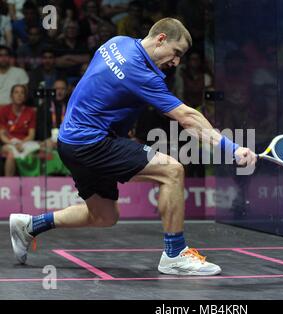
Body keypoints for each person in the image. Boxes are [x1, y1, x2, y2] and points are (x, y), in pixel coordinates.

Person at [9, 18, 256, 276]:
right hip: (92, 142)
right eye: (177, 52)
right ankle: (175, 254)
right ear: (161, 38)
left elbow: (102, 87)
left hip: (71, 141)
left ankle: (30, 224)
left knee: (104, 216)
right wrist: (233, 149)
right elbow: (188, 117)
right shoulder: (142, 73)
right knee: (172, 170)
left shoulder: (117, 42)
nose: (177, 62)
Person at [0, 84, 38, 176]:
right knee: (10, 154)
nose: (19, 95)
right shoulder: (3, 110)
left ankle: (31, 185)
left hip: (25, 143)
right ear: (11, 95)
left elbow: (31, 135)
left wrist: (21, 143)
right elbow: (2, 134)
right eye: (16, 92)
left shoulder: (31, 112)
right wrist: (14, 144)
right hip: (9, 143)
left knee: (35, 153)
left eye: (22, 93)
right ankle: (8, 186)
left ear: (25, 97)